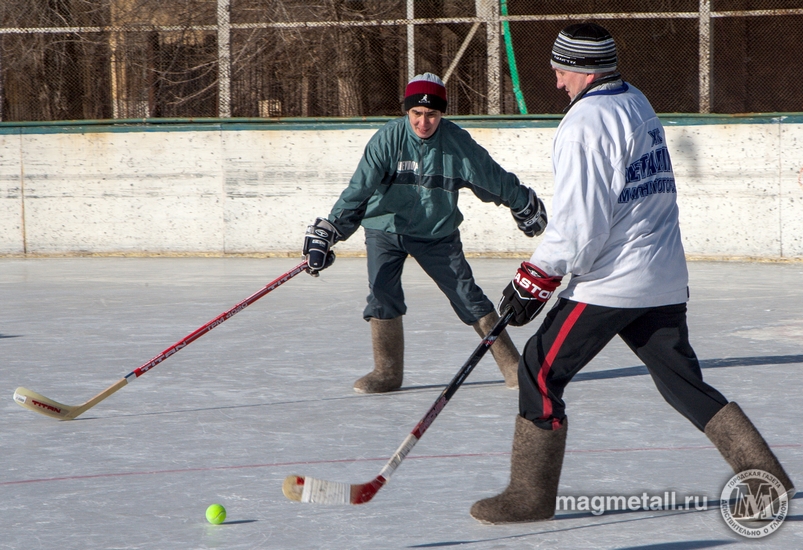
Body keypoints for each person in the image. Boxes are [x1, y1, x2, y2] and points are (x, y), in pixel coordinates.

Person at [470, 23, 795, 524]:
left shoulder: (586, 123)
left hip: (612, 283)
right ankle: (766, 480)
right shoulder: (634, 101)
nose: (558, 83)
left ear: (582, 68)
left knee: (537, 370)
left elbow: (580, 223)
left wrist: (534, 278)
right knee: (683, 383)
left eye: (561, 72)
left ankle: (530, 496)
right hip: (660, 276)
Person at [302, 72, 548, 393]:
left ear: (441, 113)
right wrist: (330, 230)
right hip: (385, 227)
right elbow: (359, 190)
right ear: (407, 111)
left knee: (466, 295)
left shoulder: (457, 144)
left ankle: (513, 366)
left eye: (431, 114)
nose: (423, 122)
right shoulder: (387, 140)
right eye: (416, 113)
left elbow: (492, 177)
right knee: (382, 295)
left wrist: (522, 201)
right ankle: (387, 373)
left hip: (437, 232)